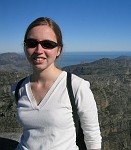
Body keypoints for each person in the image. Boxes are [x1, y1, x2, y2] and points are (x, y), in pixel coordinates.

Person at [11, 17, 102, 150]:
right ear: (25, 47)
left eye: (47, 44)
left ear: (58, 50)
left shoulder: (76, 86)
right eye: (31, 43)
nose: (38, 50)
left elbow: (92, 135)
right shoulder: (17, 89)